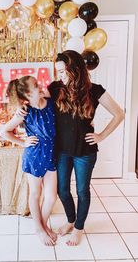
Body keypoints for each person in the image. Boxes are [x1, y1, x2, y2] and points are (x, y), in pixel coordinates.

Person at [47, 50, 125, 246]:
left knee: (82, 190)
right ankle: (71, 220)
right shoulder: (55, 88)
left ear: (75, 70)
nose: (60, 76)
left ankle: (79, 227)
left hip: (85, 152)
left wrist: (101, 136)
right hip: (62, 150)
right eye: (58, 72)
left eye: (63, 72)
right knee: (62, 190)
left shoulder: (95, 90)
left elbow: (119, 114)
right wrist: (21, 107)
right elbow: (36, 103)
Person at [1, 75, 57, 246]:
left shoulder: (51, 102)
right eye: (35, 86)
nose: (40, 86)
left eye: (38, 83)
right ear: (26, 94)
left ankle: (43, 224)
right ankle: (39, 228)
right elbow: (4, 132)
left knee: (51, 197)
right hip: (34, 156)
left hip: (52, 154)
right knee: (35, 194)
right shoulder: (24, 112)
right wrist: (23, 142)